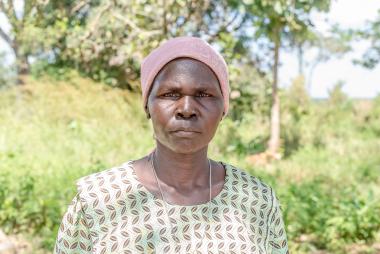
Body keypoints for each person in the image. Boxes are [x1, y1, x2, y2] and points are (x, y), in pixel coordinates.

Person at [54, 37, 289, 254]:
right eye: (170, 94)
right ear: (147, 105)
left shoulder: (256, 200)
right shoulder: (99, 199)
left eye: (204, 95)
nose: (187, 109)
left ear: (224, 109)